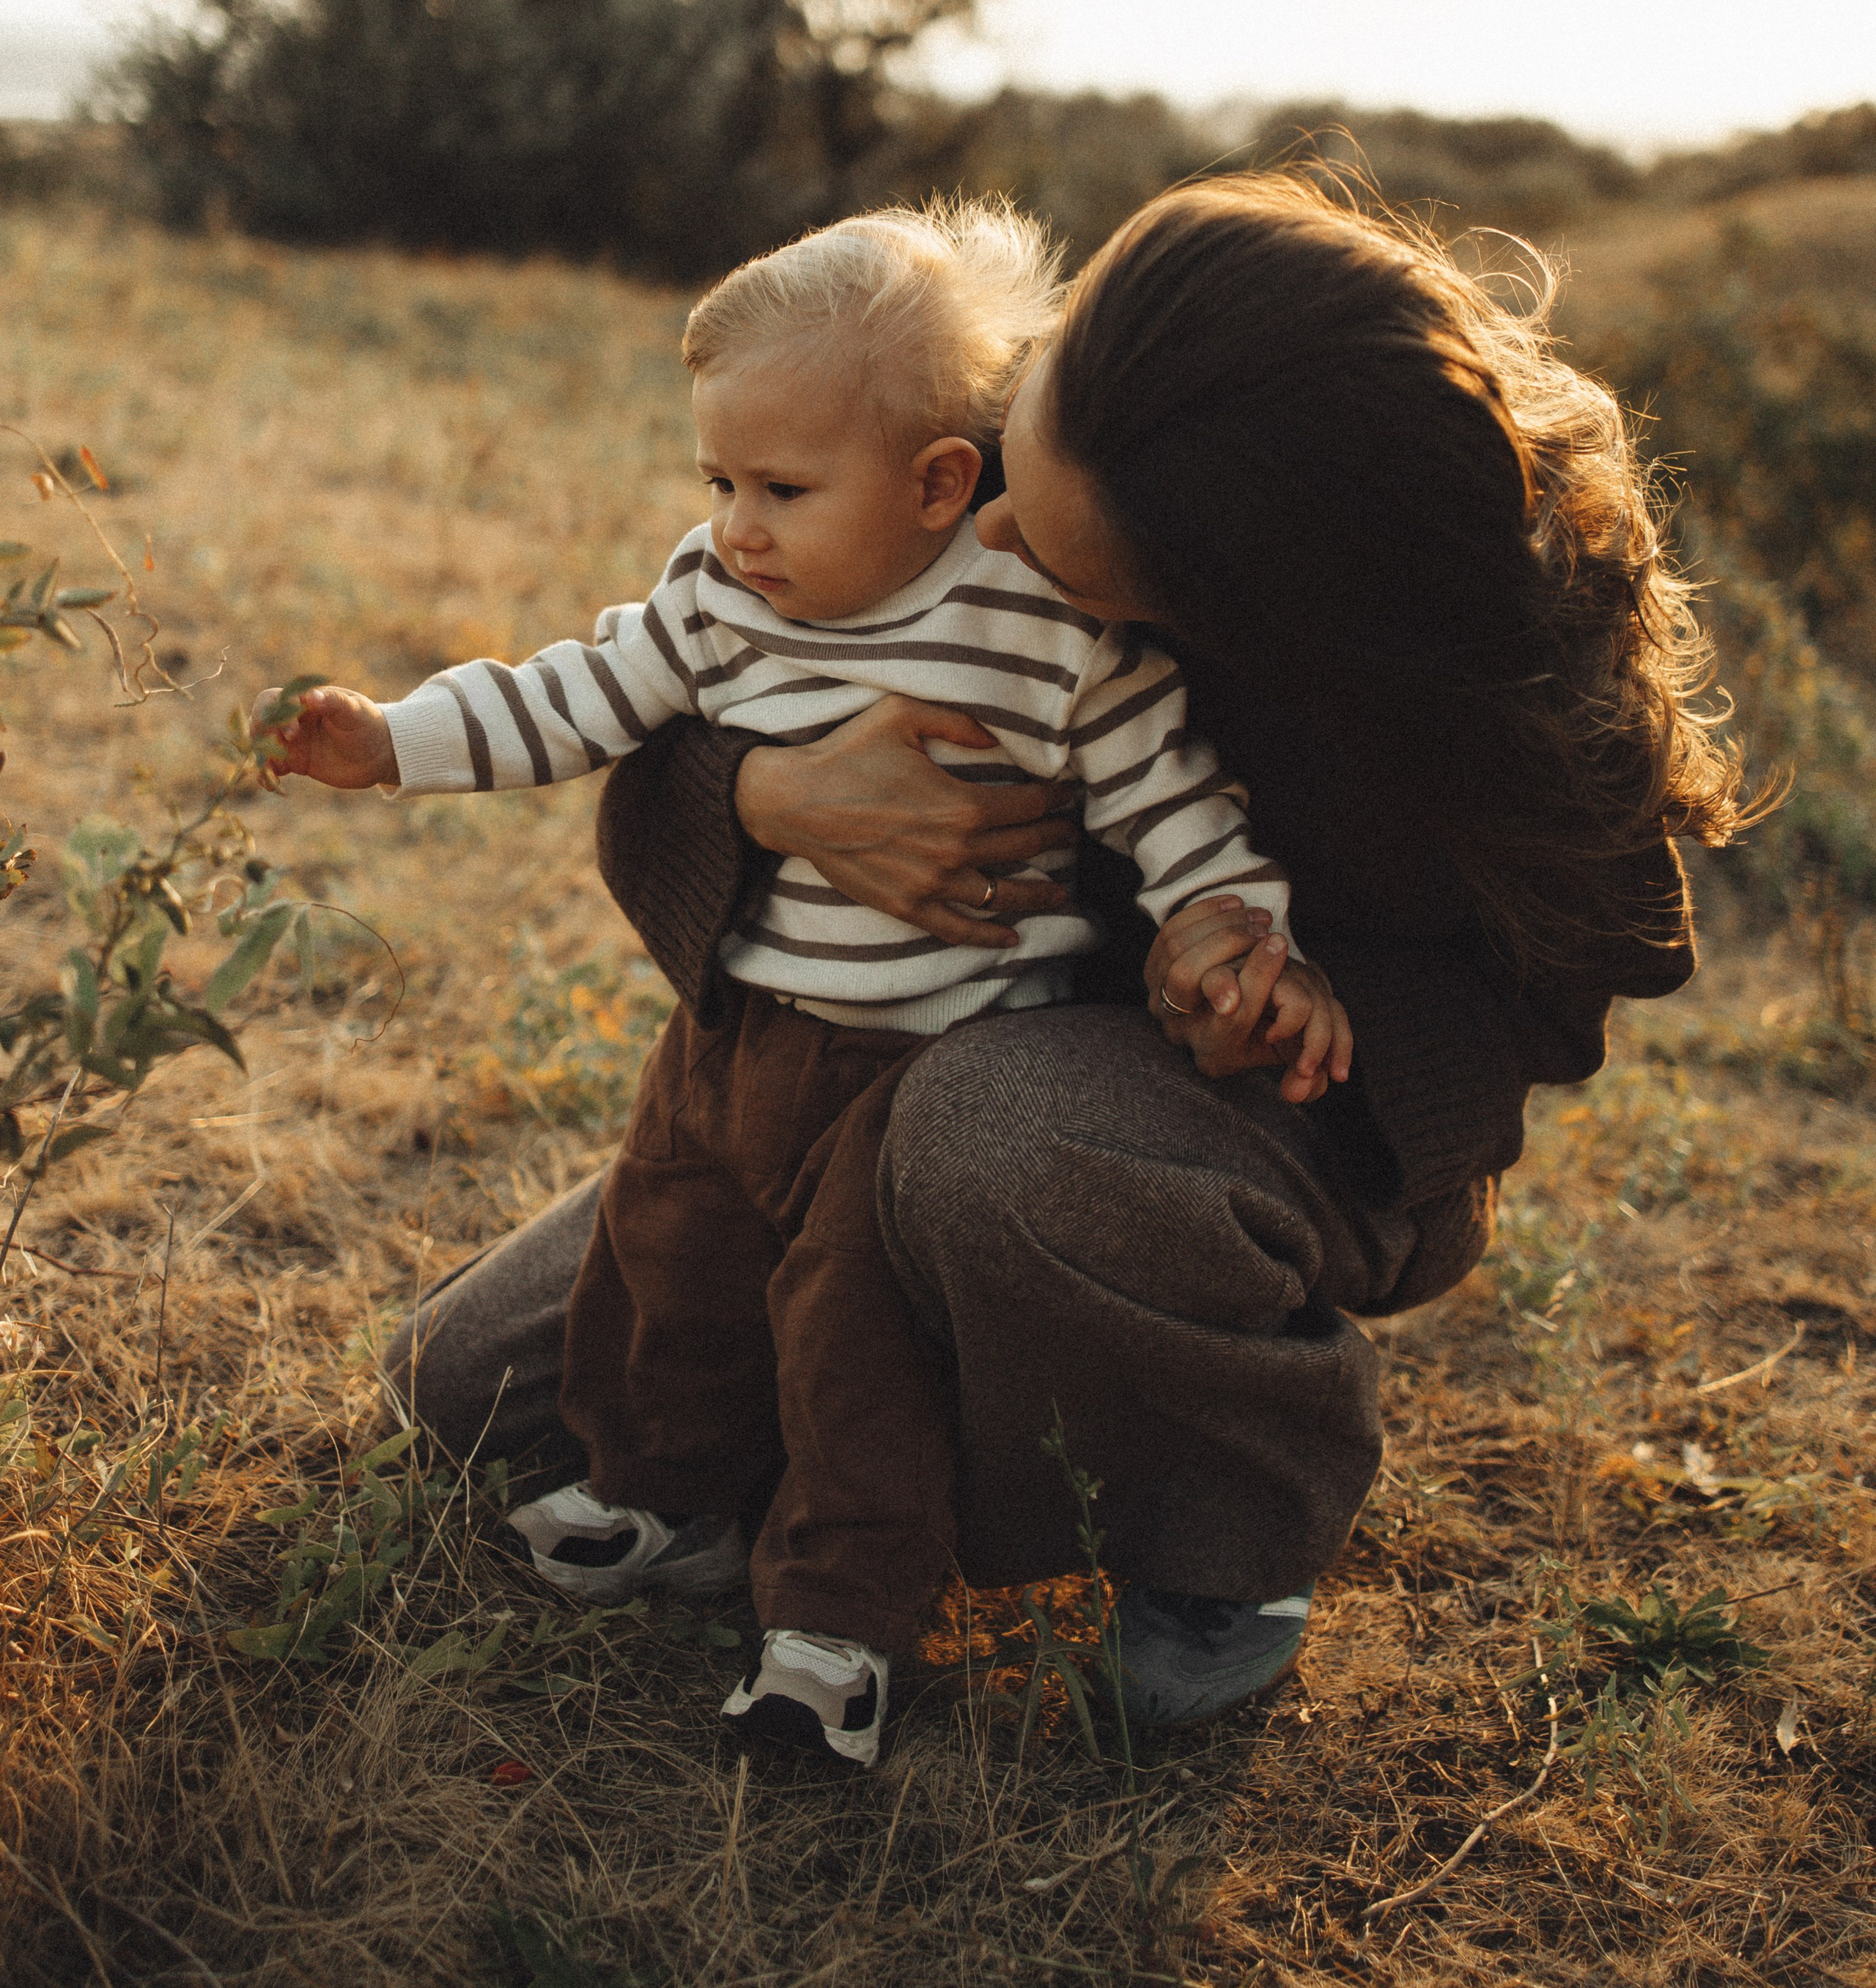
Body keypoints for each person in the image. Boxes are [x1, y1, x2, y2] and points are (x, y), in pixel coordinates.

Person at [377, 170, 1740, 1745]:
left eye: (1060, 556)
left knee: (993, 1139)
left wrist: (1284, 1010)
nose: (998, 544)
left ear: (1217, 613)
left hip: (1193, 1135)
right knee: (470, 1391)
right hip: (869, 1071)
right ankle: (889, 1410)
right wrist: (770, 799)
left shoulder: (1454, 692)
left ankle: (1230, 1514)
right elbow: (681, 710)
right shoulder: (1073, 428)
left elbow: (1568, 995)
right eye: (1004, 481)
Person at [258, 199, 1345, 1768]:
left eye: (778, 486)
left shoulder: (1049, 636)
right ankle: (668, 1503)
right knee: (666, 1262)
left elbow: (1179, 811)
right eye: (716, 479)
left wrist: (1235, 938)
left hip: (927, 1084)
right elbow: (575, 694)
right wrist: (391, 744)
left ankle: (837, 1626)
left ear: (936, 483)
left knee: (854, 1344)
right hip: (743, 1038)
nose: (733, 523)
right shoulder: (718, 599)